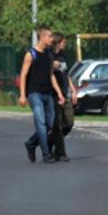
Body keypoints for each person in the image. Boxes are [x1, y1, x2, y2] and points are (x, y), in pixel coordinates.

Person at [18, 26, 63, 163]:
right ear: (42, 37)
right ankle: (46, 154)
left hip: (48, 93)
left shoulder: (49, 54)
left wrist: (59, 93)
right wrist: (22, 95)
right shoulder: (31, 54)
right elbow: (23, 75)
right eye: (49, 36)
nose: (51, 39)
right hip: (34, 93)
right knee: (41, 123)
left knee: (49, 124)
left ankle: (31, 143)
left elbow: (51, 75)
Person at [49, 32, 76, 162]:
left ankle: (50, 140)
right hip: (54, 94)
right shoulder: (50, 55)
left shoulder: (63, 55)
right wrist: (58, 92)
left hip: (65, 93)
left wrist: (73, 90)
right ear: (58, 42)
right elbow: (51, 75)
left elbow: (67, 74)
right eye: (64, 42)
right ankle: (61, 152)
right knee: (58, 124)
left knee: (69, 123)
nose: (65, 44)